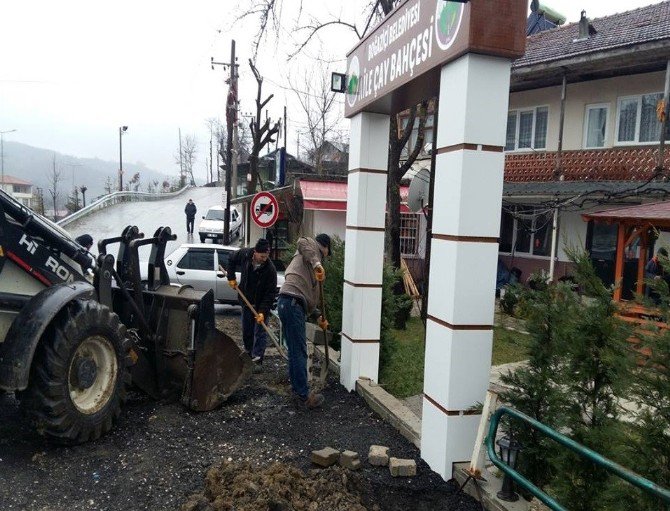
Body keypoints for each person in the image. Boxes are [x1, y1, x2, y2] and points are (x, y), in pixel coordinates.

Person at [277, 233, 331, 409]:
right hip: (292, 303)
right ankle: (303, 395)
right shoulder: (311, 247)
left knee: (294, 350)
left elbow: (308, 298)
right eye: (327, 254)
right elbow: (301, 241)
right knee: (299, 350)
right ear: (325, 248)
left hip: (289, 302)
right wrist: (317, 263)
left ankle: (297, 389)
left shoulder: (312, 271)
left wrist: (318, 317)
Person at [227, 238, 277, 366]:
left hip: (260, 306)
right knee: (247, 331)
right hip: (246, 301)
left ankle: (258, 359)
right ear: (255, 252)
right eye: (262, 256)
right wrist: (231, 277)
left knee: (260, 333)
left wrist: (262, 312)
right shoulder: (245, 255)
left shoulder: (270, 270)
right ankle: (248, 354)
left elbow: (270, 294)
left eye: (266, 256)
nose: (264, 259)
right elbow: (231, 258)